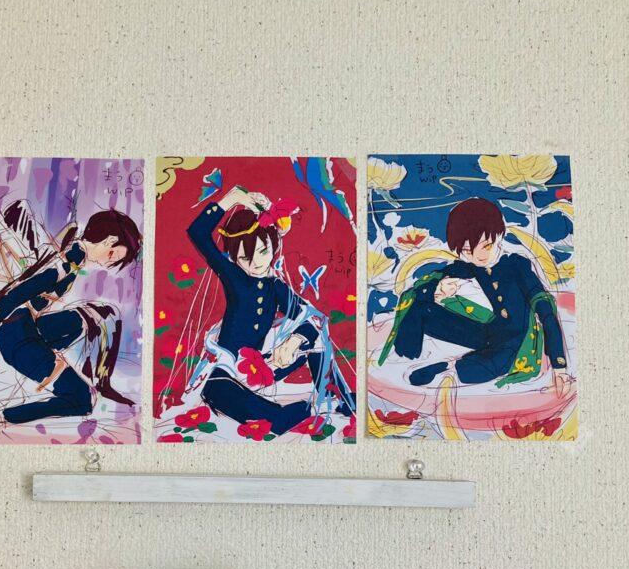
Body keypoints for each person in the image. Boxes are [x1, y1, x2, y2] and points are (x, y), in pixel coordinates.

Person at [186, 186, 355, 435]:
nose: (257, 263)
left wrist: (295, 340)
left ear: (273, 246)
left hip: (265, 364)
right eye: (246, 258)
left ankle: (334, 394)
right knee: (216, 391)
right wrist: (232, 199)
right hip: (230, 366)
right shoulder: (233, 276)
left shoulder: (275, 286)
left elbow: (313, 317)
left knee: (314, 334)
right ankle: (281, 416)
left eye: (263, 251)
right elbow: (197, 233)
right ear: (234, 259)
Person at [0, 209, 142, 423]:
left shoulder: (73, 255)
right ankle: (4, 416)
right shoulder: (66, 262)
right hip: (16, 338)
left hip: (26, 326)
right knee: (83, 399)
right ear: (109, 240)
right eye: (112, 255)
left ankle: (102, 382)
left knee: (102, 313)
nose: (106, 263)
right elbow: (20, 292)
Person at [381, 197, 571, 397]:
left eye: (486, 245)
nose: (478, 256)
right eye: (466, 250)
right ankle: (404, 357)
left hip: (514, 341)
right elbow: (425, 285)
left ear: (500, 235)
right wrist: (437, 288)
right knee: (420, 305)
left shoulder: (517, 266)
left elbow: (546, 312)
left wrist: (560, 366)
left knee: (495, 363)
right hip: (484, 332)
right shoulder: (468, 265)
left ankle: (449, 368)